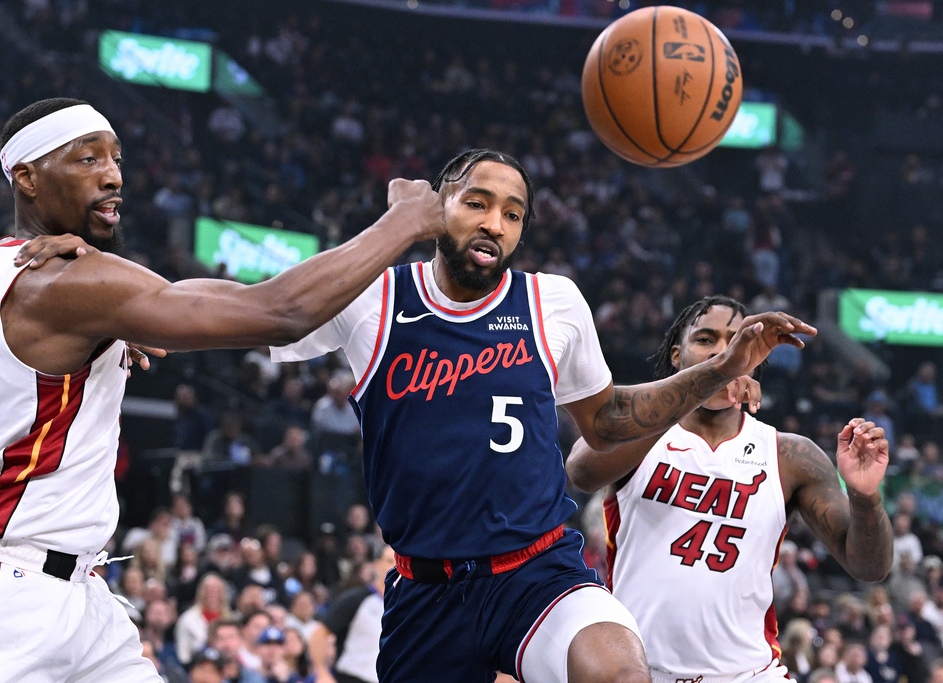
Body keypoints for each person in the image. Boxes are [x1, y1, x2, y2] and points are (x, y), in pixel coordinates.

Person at [0, 97, 445, 683]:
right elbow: (283, 311)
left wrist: (111, 329)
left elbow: (44, 345)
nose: (113, 174)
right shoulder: (70, 286)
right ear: (26, 177)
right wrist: (404, 223)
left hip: (78, 595)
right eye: (88, 159)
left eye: (116, 158)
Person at [271, 149, 817, 682]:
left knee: (620, 672)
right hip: (426, 586)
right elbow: (271, 311)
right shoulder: (376, 296)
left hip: (534, 570)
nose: (494, 223)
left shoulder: (551, 302)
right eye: (477, 203)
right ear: (439, 207)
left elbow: (606, 422)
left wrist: (719, 371)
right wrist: (392, 228)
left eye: (512, 214)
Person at [565, 295, 893, 682]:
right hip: (641, 672)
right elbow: (581, 471)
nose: (724, 351)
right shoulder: (639, 430)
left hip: (751, 673)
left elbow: (870, 567)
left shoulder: (790, 455)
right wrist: (710, 379)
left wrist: (865, 495)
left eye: (737, 341)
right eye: (706, 340)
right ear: (676, 355)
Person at [307, 543, 396, 683]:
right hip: (351, 677)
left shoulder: (403, 606)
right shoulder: (356, 599)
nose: (395, 567)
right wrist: (322, 672)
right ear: (376, 566)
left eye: (399, 562)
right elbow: (319, 634)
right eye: (390, 561)